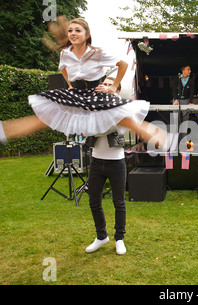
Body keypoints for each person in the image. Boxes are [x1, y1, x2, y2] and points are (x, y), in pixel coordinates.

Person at [0, 16, 169, 151]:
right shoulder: (66, 53)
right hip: (76, 94)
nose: (73, 33)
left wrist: (113, 86)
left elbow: (123, 64)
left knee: (128, 121)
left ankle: (166, 140)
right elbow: (63, 67)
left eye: (77, 30)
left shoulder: (97, 53)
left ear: (87, 35)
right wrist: (70, 84)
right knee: (43, 118)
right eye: (70, 30)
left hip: (95, 94)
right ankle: (0, 131)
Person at [85, 77, 127, 255]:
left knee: (119, 202)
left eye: (111, 85)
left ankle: (119, 239)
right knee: (94, 200)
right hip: (96, 161)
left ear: (117, 91)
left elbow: (114, 128)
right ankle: (101, 236)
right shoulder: (93, 108)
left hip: (116, 162)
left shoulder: (122, 108)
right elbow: (88, 129)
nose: (106, 87)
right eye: (105, 84)